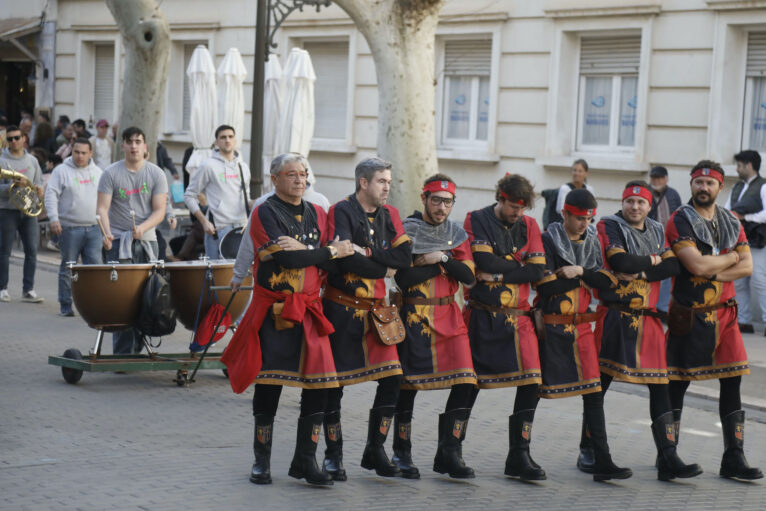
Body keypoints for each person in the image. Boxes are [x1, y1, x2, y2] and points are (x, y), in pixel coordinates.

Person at [222, 152, 355, 486]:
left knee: (320, 386)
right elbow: (285, 260)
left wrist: (314, 252)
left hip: (310, 311)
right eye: (292, 174)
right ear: (275, 179)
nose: (300, 180)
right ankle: (261, 462)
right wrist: (324, 253)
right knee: (269, 385)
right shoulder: (264, 212)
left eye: (303, 173)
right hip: (274, 312)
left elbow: (334, 265)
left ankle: (306, 461)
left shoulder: (319, 212)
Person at [579, 180, 701, 482]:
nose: (635, 207)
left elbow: (673, 267)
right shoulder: (609, 225)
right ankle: (590, 450)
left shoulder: (659, 230)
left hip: (647, 320)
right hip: (615, 318)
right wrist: (657, 260)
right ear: (623, 203)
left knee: (660, 385)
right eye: (630, 202)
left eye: (641, 203)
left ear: (649, 206)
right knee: (599, 385)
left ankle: (668, 455)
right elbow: (619, 260)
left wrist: (645, 269)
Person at [666, 160, 763, 481]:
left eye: (710, 182)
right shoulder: (679, 220)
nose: (703, 188)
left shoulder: (731, 220)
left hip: (726, 315)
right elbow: (696, 266)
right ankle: (668, 455)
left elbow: (747, 267)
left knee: (733, 380)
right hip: (689, 315)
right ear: (691, 185)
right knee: (678, 383)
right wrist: (731, 257)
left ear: (721, 187)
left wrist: (716, 269)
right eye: (698, 182)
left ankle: (733, 457)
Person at [320, 157, 412, 481]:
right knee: (335, 385)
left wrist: (370, 254)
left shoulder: (392, 215)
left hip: (377, 314)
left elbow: (403, 259)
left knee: (392, 379)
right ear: (363, 183)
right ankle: (333, 456)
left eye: (389, 181)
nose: (388, 187)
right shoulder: (341, 211)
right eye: (382, 181)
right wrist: (380, 266)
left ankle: (376, 450)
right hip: (342, 310)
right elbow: (344, 260)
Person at [535, 188, 632, 481]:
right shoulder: (547, 239)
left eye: (588, 218)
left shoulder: (593, 240)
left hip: (582, 329)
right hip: (550, 325)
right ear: (564, 213)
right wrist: (587, 277)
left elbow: (609, 282)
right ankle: (519, 453)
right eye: (578, 218)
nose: (584, 224)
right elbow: (545, 285)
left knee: (593, 391)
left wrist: (578, 272)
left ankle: (601, 458)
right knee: (531, 391)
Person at [393, 174, 478, 480]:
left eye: (447, 201)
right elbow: (404, 278)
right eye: (436, 200)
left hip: (449, 315)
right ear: (424, 198)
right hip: (415, 316)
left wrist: (440, 256)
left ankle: (450, 451)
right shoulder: (408, 229)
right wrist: (440, 263)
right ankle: (401, 452)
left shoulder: (456, 234)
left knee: (467, 381)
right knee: (408, 386)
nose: (442, 207)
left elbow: (468, 277)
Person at [463, 173, 546, 481]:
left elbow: (537, 269)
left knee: (531, 381)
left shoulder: (530, 226)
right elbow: (484, 261)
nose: (517, 213)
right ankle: (451, 449)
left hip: (520, 318)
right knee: (468, 384)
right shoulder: (477, 219)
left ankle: (519, 454)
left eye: (523, 208)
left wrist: (498, 274)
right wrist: (517, 267)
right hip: (483, 316)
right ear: (500, 197)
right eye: (513, 206)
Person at [96, 126, 168, 354]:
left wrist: (144, 228)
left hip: (148, 242)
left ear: (145, 146)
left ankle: (140, 348)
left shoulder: (156, 173)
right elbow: (102, 208)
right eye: (130, 142)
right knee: (123, 299)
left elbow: (160, 211)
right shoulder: (110, 173)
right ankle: (122, 353)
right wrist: (106, 233)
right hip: (118, 242)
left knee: (148, 298)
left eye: (138, 141)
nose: (134, 146)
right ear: (123, 146)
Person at [44, 138, 103, 316]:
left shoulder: (98, 172)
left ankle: (94, 306)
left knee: (95, 270)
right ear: (72, 152)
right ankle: (66, 305)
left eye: (84, 153)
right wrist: (54, 218)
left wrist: (107, 228)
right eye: (76, 152)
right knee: (68, 268)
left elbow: (106, 200)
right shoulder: (61, 171)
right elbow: (51, 194)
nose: (79, 156)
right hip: (69, 228)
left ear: (90, 153)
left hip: (94, 229)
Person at [184, 125, 250, 259]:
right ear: (216, 142)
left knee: (243, 276)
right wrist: (204, 222)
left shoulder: (242, 167)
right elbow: (189, 196)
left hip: (242, 228)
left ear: (235, 141)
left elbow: (246, 200)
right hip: (218, 229)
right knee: (218, 277)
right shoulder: (208, 165)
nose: (227, 140)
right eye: (223, 137)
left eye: (230, 137)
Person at [0, 125, 45, 303]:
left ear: (24, 138)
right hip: (7, 210)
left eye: (16, 138)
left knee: (32, 251)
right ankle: (2, 288)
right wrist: (12, 187)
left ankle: (29, 289)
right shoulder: (2, 161)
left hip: (29, 210)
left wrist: (39, 190)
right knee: (4, 251)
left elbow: (38, 181)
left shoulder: (32, 161)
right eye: (9, 139)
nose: (13, 142)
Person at [725, 150, 766, 334]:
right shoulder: (736, 187)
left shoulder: (764, 186)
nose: (737, 169)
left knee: (759, 280)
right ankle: (744, 321)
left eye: (739, 165)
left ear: (749, 165)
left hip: (758, 241)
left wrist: (745, 216)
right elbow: (727, 209)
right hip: (739, 240)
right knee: (740, 281)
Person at [648, 165, 682, 315]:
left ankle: (662, 307)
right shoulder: (646, 192)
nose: (657, 180)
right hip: (649, 238)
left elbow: (679, 214)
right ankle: (650, 304)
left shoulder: (673, 194)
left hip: (669, 239)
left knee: (668, 273)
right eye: (654, 177)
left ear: (666, 179)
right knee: (651, 270)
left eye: (660, 177)